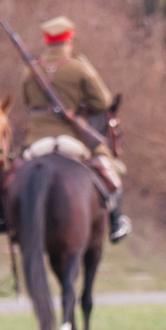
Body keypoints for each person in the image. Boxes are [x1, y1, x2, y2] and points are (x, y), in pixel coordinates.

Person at [20, 15, 131, 243]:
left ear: (47, 40)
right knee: (109, 167)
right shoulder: (78, 68)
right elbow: (102, 103)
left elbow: (26, 101)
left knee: (11, 172)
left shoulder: (30, 71)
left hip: (36, 141)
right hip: (71, 139)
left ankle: (4, 218)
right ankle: (116, 223)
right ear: (69, 40)